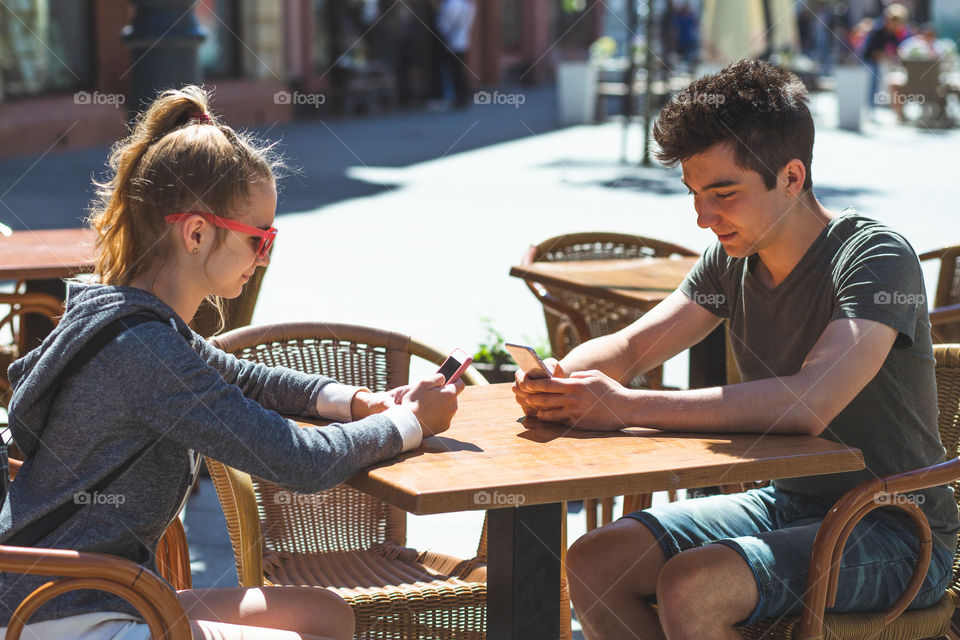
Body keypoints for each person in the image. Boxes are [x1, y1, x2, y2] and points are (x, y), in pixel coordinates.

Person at [513, 60, 959, 639]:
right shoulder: (733, 258)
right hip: (789, 501)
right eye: (695, 193)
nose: (703, 217)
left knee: (693, 584)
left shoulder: (873, 256)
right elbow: (631, 345)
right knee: (596, 562)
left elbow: (808, 403)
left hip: (898, 526)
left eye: (723, 192)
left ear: (792, 178)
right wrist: (558, 378)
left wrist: (624, 407)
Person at [0, 85, 461, 640]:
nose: (266, 256)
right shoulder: (147, 352)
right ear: (196, 232)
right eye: (258, 239)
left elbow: (244, 375)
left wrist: (359, 402)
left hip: (82, 588)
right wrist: (410, 424)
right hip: (64, 614)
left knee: (328, 616)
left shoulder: (127, 314)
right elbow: (298, 462)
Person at [860, 2, 909, 108]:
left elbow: (896, 47)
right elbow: (871, 51)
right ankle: (870, 107)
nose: (895, 25)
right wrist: (886, 56)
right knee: (872, 82)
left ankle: (874, 107)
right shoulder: (878, 29)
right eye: (894, 21)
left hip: (878, 61)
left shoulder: (891, 32)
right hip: (867, 60)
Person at [436, 0, 475, 109]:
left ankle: (458, 98)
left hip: (451, 43)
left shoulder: (449, 5)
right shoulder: (467, 6)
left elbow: (443, 24)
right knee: (460, 70)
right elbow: (469, 22)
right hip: (463, 41)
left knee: (454, 72)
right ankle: (463, 96)